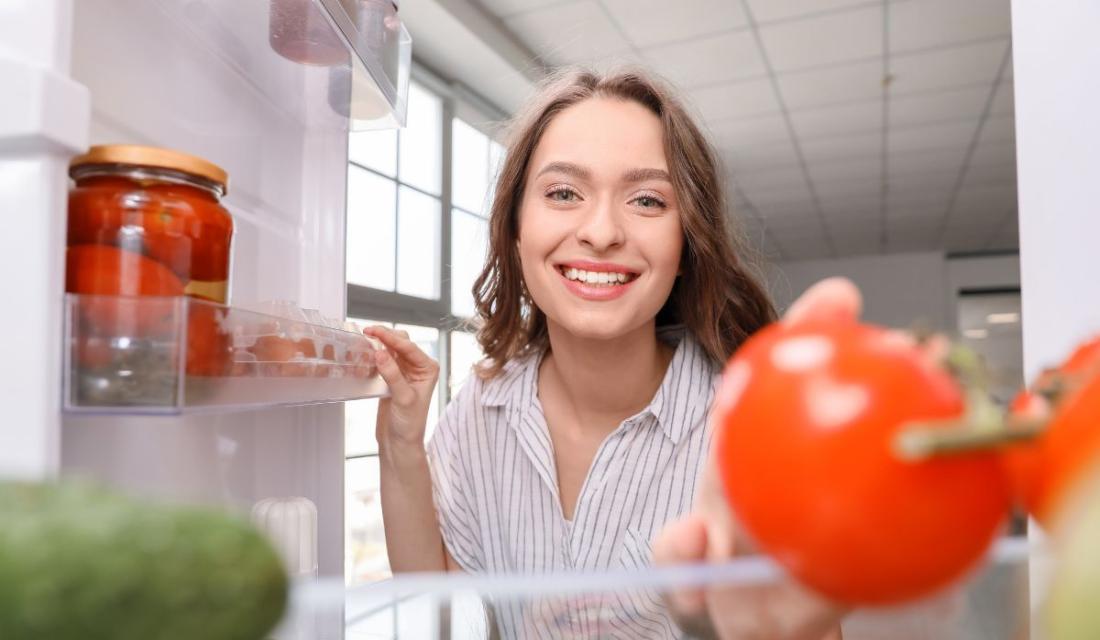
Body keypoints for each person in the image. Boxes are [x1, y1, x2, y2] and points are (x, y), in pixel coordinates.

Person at [363, 66, 811, 637]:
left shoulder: (751, 428)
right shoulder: (481, 408)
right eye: (563, 193)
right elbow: (439, 601)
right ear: (516, 228)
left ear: (687, 243)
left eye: (647, 200)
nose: (601, 232)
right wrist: (401, 446)